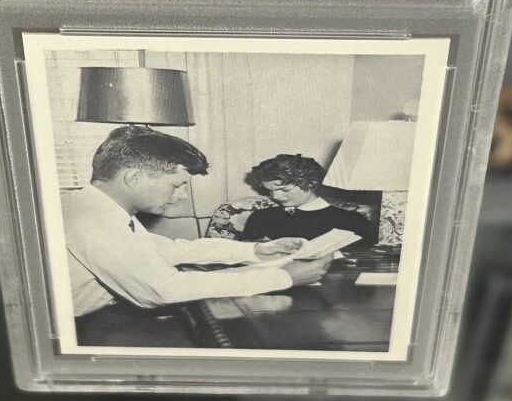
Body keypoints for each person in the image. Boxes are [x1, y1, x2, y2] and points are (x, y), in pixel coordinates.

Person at [63, 126, 334, 319]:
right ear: (133, 178)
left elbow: (167, 250)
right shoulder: (92, 219)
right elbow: (163, 290)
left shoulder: (93, 206)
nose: (182, 196)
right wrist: (284, 277)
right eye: (176, 185)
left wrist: (255, 251)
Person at [242, 154, 375, 246]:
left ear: (311, 184)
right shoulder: (261, 217)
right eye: (270, 191)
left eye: (285, 190)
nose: (276, 196)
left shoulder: (349, 220)